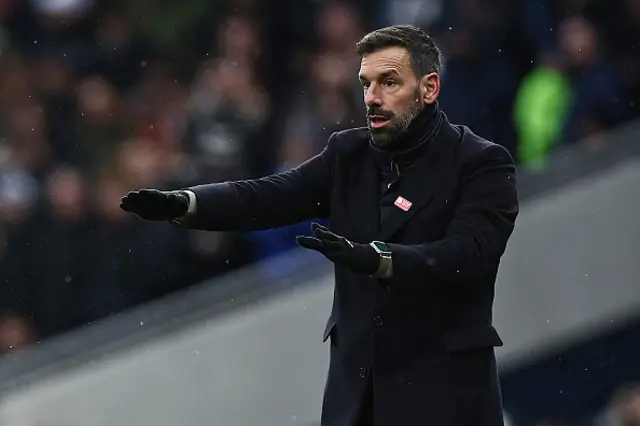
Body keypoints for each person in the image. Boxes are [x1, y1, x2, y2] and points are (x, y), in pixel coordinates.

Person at [121, 25, 519, 426]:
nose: (372, 98)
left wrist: (381, 260)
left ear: (429, 88)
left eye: (389, 82)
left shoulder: (480, 163)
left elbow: (469, 256)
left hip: (444, 399)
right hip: (360, 402)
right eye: (366, 84)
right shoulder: (348, 155)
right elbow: (269, 196)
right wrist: (187, 203)